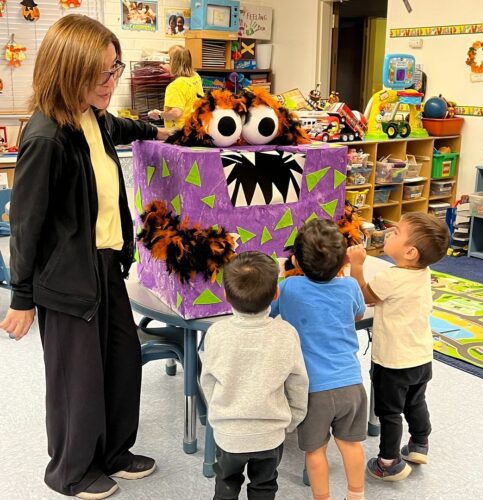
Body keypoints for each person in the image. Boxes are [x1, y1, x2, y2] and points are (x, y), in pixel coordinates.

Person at [0, 14, 170, 500]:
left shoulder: (91, 117)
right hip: (67, 278)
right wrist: (22, 296)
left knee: (121, 362)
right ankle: (70, 471)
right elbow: (26, 225)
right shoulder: (45, 137)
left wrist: (157, 130)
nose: (111, 82)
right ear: (69, 71)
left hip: (104, 267)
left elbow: (121, 124)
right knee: (78, 380)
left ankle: (114, 452)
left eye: (115, 68)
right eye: (101, 74)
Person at [347, 212, 450, 482]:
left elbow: (364, 298)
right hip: (421, 356)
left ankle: (388, 462)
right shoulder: (424, 273)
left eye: (397, 232)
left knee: (389, 412)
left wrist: (357, 265)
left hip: (393, 362)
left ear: (410, 252)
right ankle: (419, 444)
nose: (390, 231)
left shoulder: (391, 279)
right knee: (416, 401)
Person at [271, 219, 367, 500]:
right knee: (351, 445)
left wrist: (281, 272)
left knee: (315, 451)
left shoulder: (290, 289)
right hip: (351, 384)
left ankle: (322, 497)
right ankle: (356, 494)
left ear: (296, 260)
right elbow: (358, 314)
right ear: (343, 260)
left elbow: (270, 308)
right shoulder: (349, 287)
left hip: (312, 390)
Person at [200, 251, 309, 500]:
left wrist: (218, 414)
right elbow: (298, 383)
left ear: (225, 295)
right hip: (270, 435)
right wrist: (292, 420)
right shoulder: (286, 333)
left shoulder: (216, 333)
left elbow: (207, 381)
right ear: (276, 294)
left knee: (226, 483)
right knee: (264, 486)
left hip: (228, 434)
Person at [147, 45, 203, 130]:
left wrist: (159, 114)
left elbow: (176, 113)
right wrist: (172, 71)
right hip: (196, 129)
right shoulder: (196, 77)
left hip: (180, 133)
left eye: (168, 60)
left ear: (173, 63)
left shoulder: (175, 86)